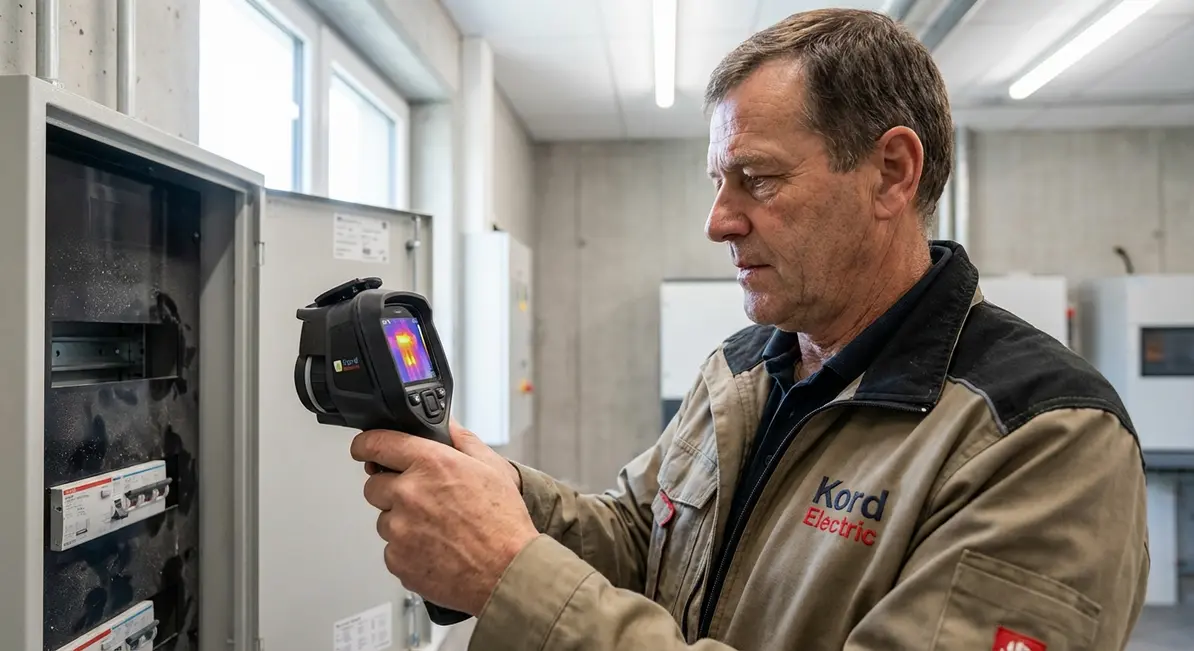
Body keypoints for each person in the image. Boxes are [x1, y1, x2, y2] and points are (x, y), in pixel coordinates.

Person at [350, 8, 1150, 651]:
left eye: (757, 178)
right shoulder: (740, 371)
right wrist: (497, 493)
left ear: (891, 173)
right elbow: (636, 535)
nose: (719, 221)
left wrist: (510, 572)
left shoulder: (1043, 438)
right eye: (718, 180)